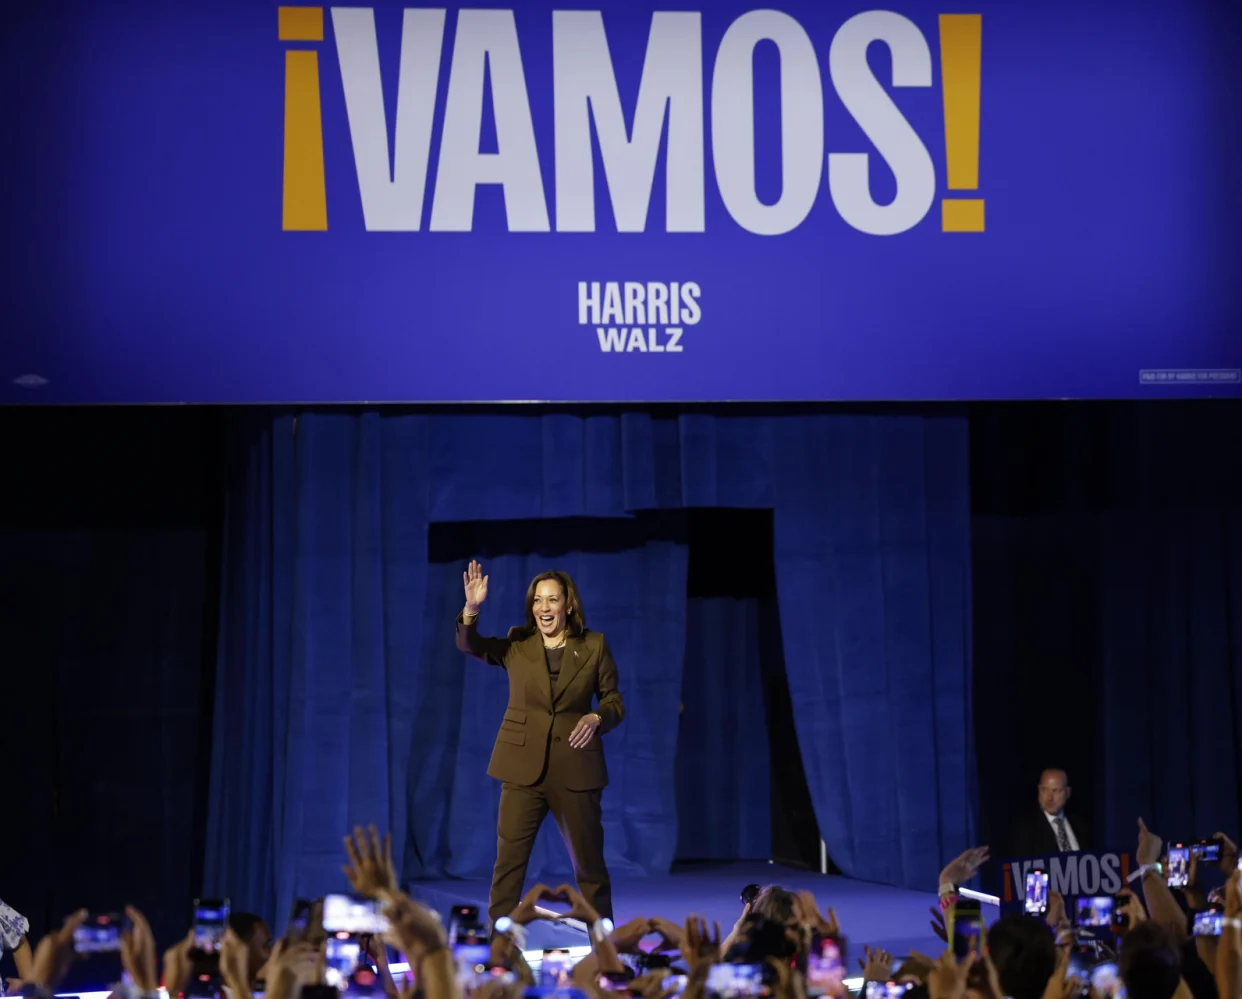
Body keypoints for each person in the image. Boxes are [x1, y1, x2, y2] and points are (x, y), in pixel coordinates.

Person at [457, 561, 624, 927]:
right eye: (538, 600)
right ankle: (502, 950)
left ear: (568, 604)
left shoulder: (593, 645)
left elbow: (614, 702)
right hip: (521, 771)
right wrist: (471, 608)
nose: (544, 608)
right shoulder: (518, 644)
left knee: (590, 868)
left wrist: (597, 717)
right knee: (508, 867)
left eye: (552, 600)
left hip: (576, 769)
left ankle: (603, 949)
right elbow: (470, 645)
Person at [1009, 768, 1092, 858]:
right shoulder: (1025, 828)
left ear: (1068, 792)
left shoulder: (1081, 823)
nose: (1049, 798)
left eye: (1056, 791)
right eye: (1044, 790)